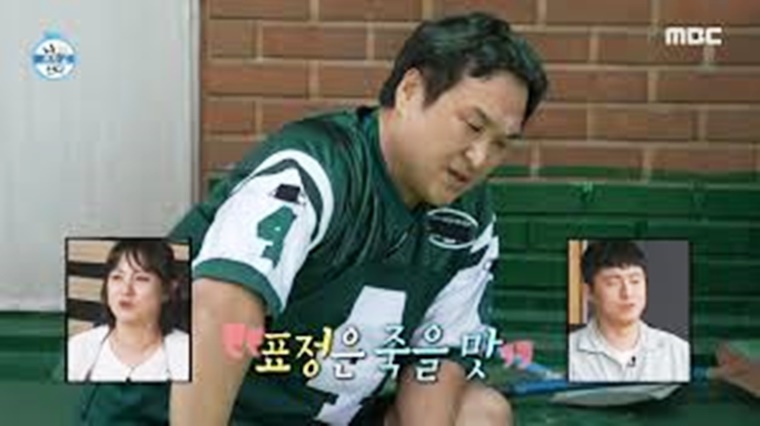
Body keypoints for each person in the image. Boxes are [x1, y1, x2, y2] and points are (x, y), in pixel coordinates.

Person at [76, 12, 548, 425]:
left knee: (479, 412)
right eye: (472, 125)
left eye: (501, 143)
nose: (480, 156)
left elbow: (436, 362)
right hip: (169, 412)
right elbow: (219, 306)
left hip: (310, 414)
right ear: (410, 91)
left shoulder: (469, 216)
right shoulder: (316, 166)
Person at [67, 239, 189, 382]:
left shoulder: (188, 353)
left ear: (167, 291)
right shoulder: (78, 347)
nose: (126, 290)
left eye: (141, 279)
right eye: (117, 277)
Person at [568, 240, 690, 383]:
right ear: (589, 292)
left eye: (635, 281)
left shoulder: (678, 353)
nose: (627, 293)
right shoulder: (570, 353)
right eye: (613, 283)